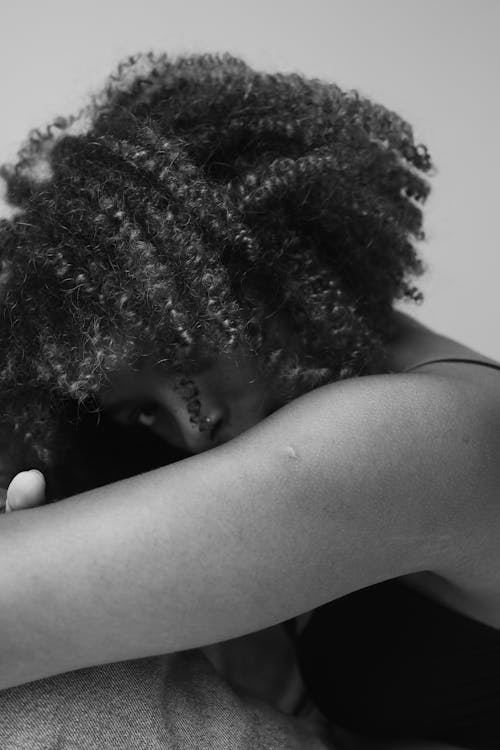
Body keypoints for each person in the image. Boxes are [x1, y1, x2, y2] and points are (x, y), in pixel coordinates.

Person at [0, 51, 499, 749]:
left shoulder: (419, 432)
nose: (195, 429)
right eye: (145, 412)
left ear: (254, 260)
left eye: (181, 356)